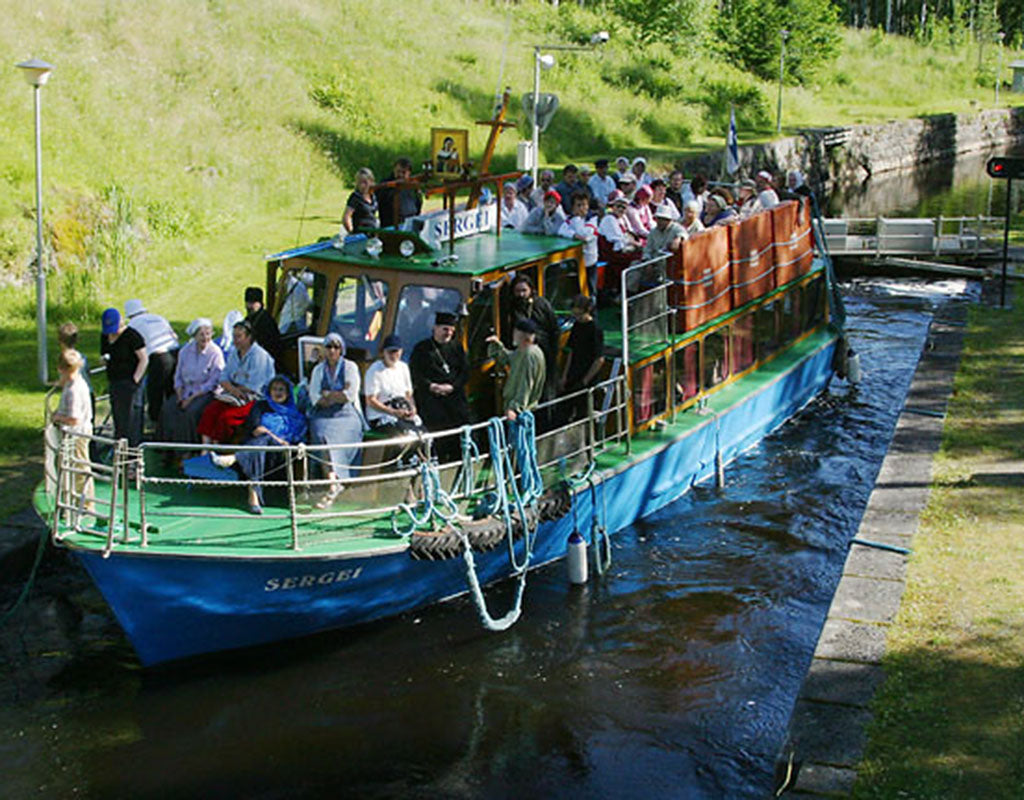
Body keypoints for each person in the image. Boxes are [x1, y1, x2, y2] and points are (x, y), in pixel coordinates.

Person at [212, 375, 307, 515]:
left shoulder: (294, 414)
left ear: (288, 393)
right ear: (269, 391)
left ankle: (235, 458)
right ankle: (253, 498)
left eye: (282, 389)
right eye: (274, 389)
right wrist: (270, 436)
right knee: (262, 442)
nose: (278, 392)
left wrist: (276, 438)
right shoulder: (260, 406)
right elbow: (256, 430)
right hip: (260, 449)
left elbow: (297, 437)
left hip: (281, 454)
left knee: (265, 439)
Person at [308, 332, 365, 509]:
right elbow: (315, 396)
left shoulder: (350, 367)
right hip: (323, 414)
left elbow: (349, 395)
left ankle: (335, 483)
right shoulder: (318, 370)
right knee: (322, 436)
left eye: (336, 347)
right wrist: (334, 396)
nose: (332, 350)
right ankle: (333, 484)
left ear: (341, 350)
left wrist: (329, 395)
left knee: (338, 440)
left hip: (346, 415)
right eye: (329, 347)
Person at [197, 319, 275, 446]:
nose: (235, 340)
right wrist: (233, 389)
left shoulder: (259, 356)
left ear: (249, 337)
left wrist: (232, 387)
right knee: (210, 411)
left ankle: (219, 448)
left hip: (254, 400)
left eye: (239, 337)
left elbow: (253, 386)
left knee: (226, 418)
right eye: (234, 336)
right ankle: (205, 449)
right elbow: (224, 377)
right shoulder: (234, 353)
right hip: (232, 395)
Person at [409, 311, 471, 463]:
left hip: (454, 399)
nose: (448, 333)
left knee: (460, 435)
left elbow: (465, 372)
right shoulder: (422, 349)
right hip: (432, 401)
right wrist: (432, 386)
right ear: (435, 328)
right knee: (438, 436)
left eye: (451, 330)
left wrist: (452, 387)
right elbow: (416, 373)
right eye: (445, 329)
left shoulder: (457, 347)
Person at [160, 318, 225, 448]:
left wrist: (191, 398)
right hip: (185, 390)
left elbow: (213, 382)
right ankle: (166, 448)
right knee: (168, 408)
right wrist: (179, 394)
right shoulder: (185, 351)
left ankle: (186, 450)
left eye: (208, 333)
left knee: (190, 412)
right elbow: (178, 375)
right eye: (201, 334)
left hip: (205, 393)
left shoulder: (215, 353)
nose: (205, 337)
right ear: (195, 335)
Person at [51, 348, 95, 515]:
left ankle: (86, 504)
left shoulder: (73, 390)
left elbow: (74, 418)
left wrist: (57, 417)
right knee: (78, 467)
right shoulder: (76, 381)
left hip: (78, 434)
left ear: (62, 369)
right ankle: (78, 501)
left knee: (80, 469)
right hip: (80, 431)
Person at [124, 298, 179, 424]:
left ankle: (158, 427)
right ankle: (174, 426)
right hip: (175, 353)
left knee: (155, 394)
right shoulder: (159, 317)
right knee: (172, 392)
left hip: (159, 358)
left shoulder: (133, 324)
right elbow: (174, 336)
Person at [506, 274, 560, 399]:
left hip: (544, 351)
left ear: (531, 289)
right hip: (523, 355)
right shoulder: (512, 308)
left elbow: (554, 329)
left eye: (524, 290)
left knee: (545, 389)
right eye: (517, 291)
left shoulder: (542, 304)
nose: (521, 294)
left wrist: (553, 353)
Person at [101, 307, 148, 448]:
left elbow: (143, 359)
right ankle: (119, 447)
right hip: (115, 381)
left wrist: (135, 380)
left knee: (132, 419)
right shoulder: (105, 336)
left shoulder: (133, 336)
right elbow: (104, 353)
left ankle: (133, 451)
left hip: (130, 382)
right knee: (118, 417)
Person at [487, 318, 546, 421]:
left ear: (522, 334)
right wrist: (496, 345)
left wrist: (515, 408)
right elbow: (508, 358)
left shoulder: (529, 354)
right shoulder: (524, 351)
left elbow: (526, 383)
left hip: (520, 413)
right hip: (520, 409)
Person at [559, 295, 605, 422]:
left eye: (579, 315)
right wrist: (564, 376)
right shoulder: (577, 326)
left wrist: (585, 381)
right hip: (574, 374)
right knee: (564, 409)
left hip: (587, 378)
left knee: (583, 413)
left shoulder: (595, 329)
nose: (577, 318)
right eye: (575, 315)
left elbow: (599, 359)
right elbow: (571, 353)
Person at [364, 334, 421, 435]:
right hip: (381, 415)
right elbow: (370, 401)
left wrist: (412, 408)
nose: (393, 355)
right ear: (383, 352)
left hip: (402, 411)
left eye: (396, 351)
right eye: (390, 352)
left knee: (424, 435)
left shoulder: (404, 367)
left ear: (401, 351)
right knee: (406, 435)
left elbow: (409, 395)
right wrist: (392, 412)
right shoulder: (374, 370)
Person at [598, 190, 642, 290]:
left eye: (624, 207)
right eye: (618, 206)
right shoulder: (609, 219)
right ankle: (628, 291)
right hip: (612, 253)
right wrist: (636, 244)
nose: (621, 209)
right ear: (612, 206)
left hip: (623, 250)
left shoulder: (623, 219)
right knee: (638, 260)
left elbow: (630, 233)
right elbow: (617, 239)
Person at [559, 193, 599, 293]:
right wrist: (573, 235)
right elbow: (561, 230)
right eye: (578, 205)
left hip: (589, 261)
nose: (581, 208)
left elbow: (585, 235)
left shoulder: (593, 219)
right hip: (574, 260)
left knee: (590, 289)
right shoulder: (570, 219)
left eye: (584, 205)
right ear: (573, 207)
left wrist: (576, 221)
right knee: (575, 289)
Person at [376, 157, 423, 228]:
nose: (400, 175)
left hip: (409, 223)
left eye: (403, 172)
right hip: (390, 225)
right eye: (398, 171)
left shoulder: (412, 186)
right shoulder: (385, 184)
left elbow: (418, 203)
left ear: (409, 173)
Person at [244, 286, 282, 366]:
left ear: (259, 304)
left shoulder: (267, 322)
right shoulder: (248, 319)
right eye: (248, 303)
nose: (249, 306)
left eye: (252, 303)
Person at [343, 167, 379, 233]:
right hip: (360, 233)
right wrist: (351, 232)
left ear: (371, 182)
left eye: (365, 182)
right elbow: (346, 217)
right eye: (360, 182)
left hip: (373, 231)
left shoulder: (373, 196)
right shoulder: (355, 197)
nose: (362, 185)